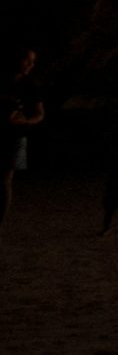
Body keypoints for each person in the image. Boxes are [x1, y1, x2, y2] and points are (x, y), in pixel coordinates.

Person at [4, 49, 42, 228]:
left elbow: (40, 113)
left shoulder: (31, 85)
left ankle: (1, 222)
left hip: (15, 136)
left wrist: (26, 121)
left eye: (32, 61)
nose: (30, 64)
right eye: (27, 60)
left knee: (6, 180)